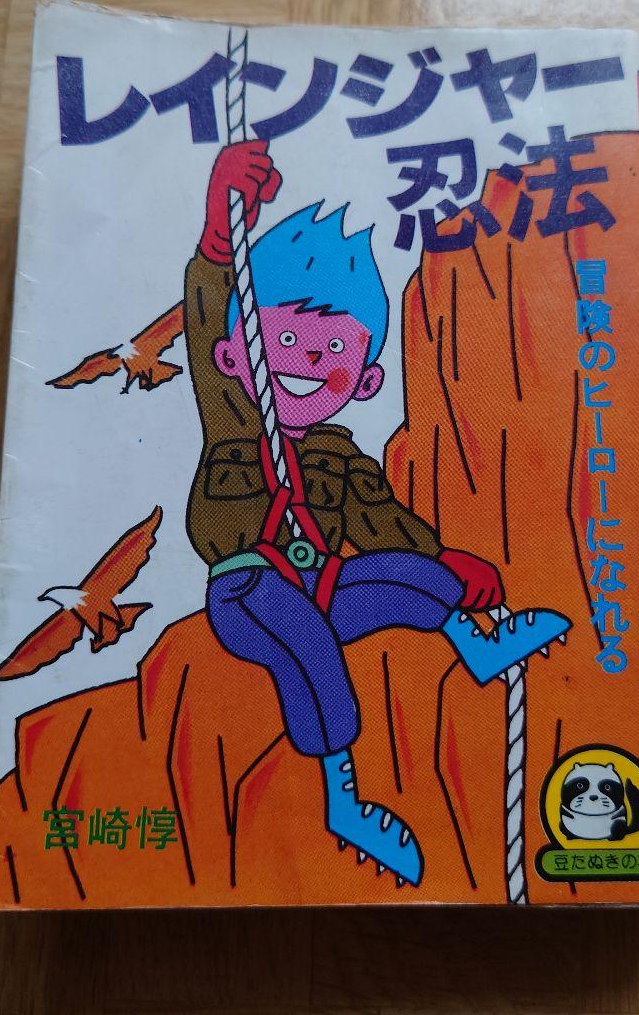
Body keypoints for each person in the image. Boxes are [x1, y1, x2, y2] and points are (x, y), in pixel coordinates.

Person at [183, 141, 570, 885]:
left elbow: (383, 522)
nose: (303, 360)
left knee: (402, 576)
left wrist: (445, 566)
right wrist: (218, 239)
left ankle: (477, 645)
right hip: (249, 589)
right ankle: (344, 799)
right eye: (284, 338)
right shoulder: (237, 419)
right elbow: (207, 320)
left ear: (364, 381)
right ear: (239, 355)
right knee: (302, 638)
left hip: (323, 584)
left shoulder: (340, 460)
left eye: (331, 348)